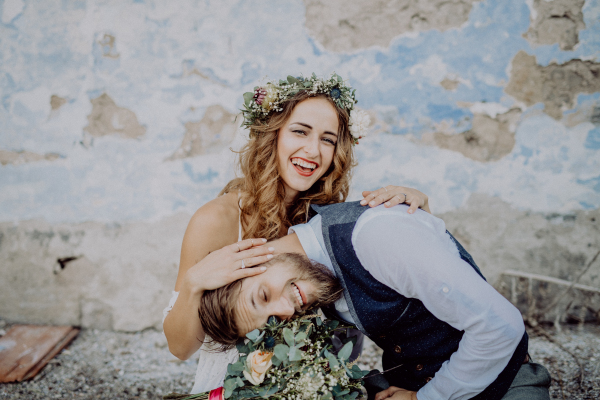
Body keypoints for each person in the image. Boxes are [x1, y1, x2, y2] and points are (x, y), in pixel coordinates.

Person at [162, 73, 432, 392]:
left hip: (321, 377)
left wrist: (419, 211)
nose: (313, 150)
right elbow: (181, 348)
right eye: (300, 131)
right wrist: (194, 283)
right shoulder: (217, 219)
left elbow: (408, 282)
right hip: (243, 383)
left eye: (328, 139)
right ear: (272, 135)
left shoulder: (330, 217)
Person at [198, 201, 552, 400]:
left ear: (255, 254)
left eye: (263, 295)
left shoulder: (377, 237)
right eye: (274, 320)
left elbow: (501, 326)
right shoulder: (312, 277)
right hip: (408, 385)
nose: (287, 310)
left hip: (501, 382)